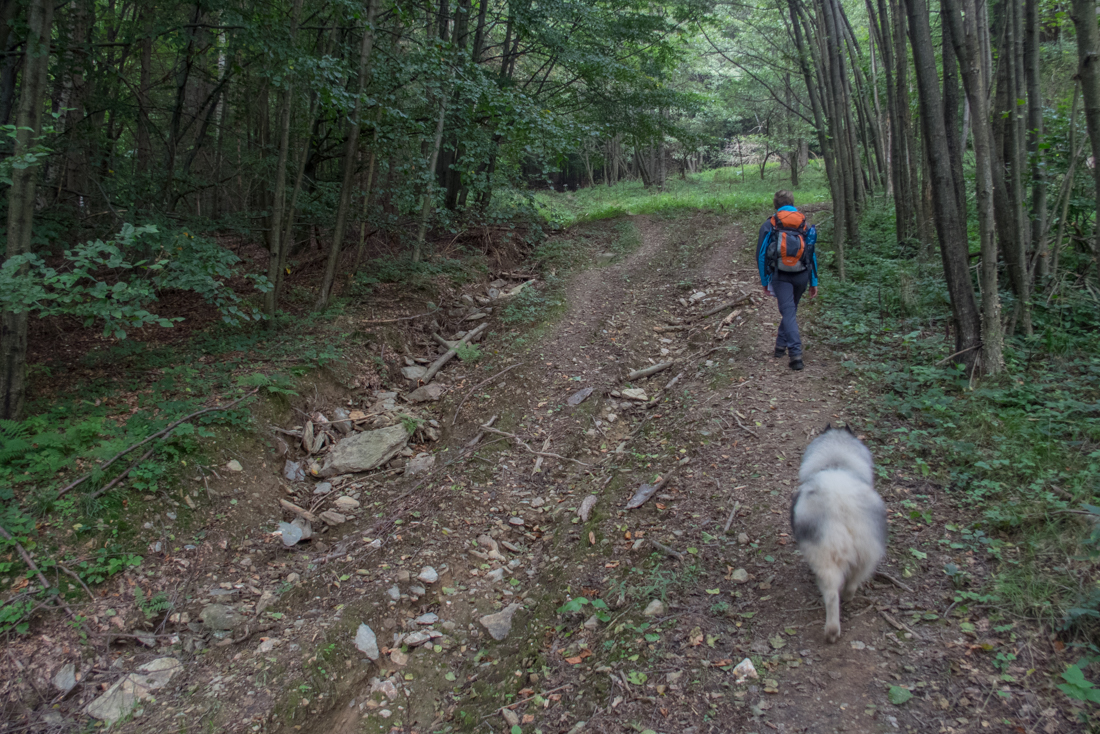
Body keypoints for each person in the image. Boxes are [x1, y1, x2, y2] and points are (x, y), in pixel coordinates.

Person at [756, 190, 819, 371]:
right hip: (802, 275)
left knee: (788, 312)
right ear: (792, 202)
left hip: (780, 275)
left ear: (775, 204)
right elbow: (811, 254)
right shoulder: (804, 224)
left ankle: (795, 354)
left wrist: (764, 280)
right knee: (790, 311)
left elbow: (761, 255)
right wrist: (813, 281)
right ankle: (779, 347)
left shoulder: (771, 224)